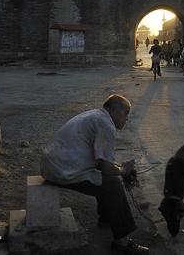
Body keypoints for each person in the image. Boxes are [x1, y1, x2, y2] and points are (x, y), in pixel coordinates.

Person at [40, 95, 150, 254]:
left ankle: (106, 218)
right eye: (125, 113)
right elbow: (105, 167)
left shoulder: (96, 115)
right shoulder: (106, 125)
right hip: (61, 171)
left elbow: (101, 161)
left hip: (52, 165)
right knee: (112, 183)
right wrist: (123, 170)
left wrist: (118, 167)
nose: (127, 118)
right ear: (113, 110)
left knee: (105, 176)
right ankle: (122, 240)